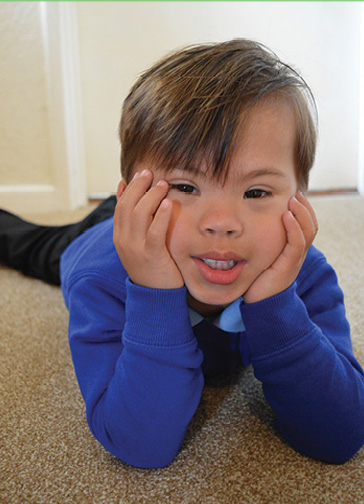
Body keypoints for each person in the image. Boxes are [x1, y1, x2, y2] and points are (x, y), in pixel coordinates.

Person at [1, 39, 364, 469]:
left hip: (170, 223)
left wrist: (275, 303)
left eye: (256, 191)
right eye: (188, 186)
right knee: (34, 246)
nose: (222, 221)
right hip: (116, 233)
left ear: (300, 200)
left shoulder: (305, 273)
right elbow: (140, 444)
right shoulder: (97, 278)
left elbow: (341, 435)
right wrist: (154, 290)